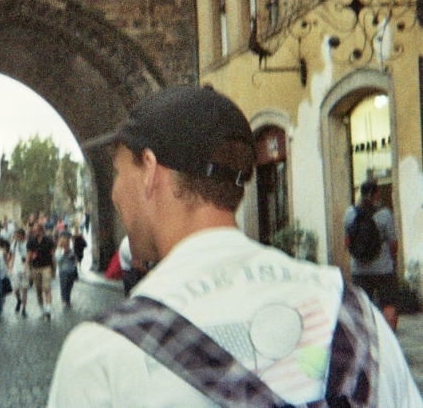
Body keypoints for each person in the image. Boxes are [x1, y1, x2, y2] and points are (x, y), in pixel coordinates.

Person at [48, 85, 422, 407]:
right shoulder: (357, 318)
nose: (114, 193)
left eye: (118, 172)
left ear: (149, 169)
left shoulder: (102, 354)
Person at [344, 180, 399, 331]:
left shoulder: (350, 213)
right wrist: (393, 260)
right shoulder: (385, 214)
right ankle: (390, 336)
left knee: (361, 306)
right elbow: (393, 243)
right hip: (383, 269)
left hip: (359, 269)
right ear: (377, 194)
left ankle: (365, 336)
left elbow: (347, 242)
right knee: (388, 304)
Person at [25, 223, 56, 320]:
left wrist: (54, 269)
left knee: (47, 288)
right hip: (35, 267)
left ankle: (48, 308)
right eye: (33, 230)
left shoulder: (48, 240)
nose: (33, 232)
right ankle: (42, 308)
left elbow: (52, 256)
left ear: (41, 230)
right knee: (38, 289)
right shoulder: (31, 241)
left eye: (35, 230)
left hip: (46, 267)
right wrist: (26, 267)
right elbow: (29, 255)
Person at [9, 228, 29, 318]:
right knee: (16, 289)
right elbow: (12, 256)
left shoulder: (27, 244)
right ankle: (18, 300)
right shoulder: (14, 244)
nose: (16, 237)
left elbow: (29, 255)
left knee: (24, 289)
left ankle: (24, 308)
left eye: (18, 235)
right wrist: (10, 268)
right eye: (16, 235)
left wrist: (27, 267)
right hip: (16, 268)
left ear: (22, 235)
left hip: (25, 267)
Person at [55, 233, 78, 310]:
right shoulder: (59, 250)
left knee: (70, 286)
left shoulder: (71, 249)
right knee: (64, 286)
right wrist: (64, 253)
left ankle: (68, 300)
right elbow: (58, 260)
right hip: (63, 271)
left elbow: (74, 258)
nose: (66, 243)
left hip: (71, 271)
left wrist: (75, 264)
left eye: (67, 242)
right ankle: (64, 301)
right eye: (65, 242)